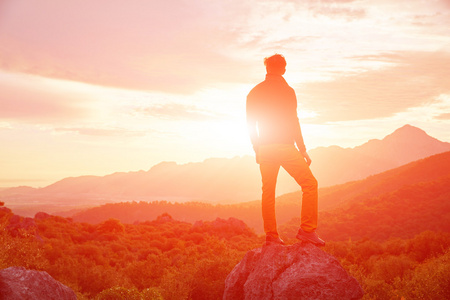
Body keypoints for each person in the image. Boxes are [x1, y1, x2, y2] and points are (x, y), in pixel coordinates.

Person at [246, 54, 325, 247]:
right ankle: (307, 230)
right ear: (283, 69)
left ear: (267, 69)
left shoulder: (254, 92)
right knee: (309, 184)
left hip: (265, 148)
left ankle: (271, 236)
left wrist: (257, 147)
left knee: (268, 192)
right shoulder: (288, 91)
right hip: (285, 146)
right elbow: (293, 120)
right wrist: (303, 149)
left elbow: (250, 124)